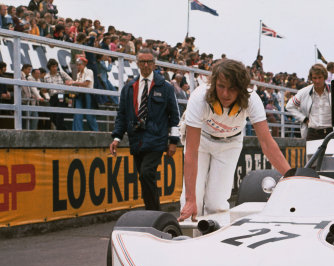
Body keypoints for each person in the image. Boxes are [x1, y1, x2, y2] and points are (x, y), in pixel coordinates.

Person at [178, 59, 291, 221]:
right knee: (190, 202)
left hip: (230, 143)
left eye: (232, 88)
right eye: (221, 86)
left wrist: (291, 177)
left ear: (241, 88)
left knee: (216, 204)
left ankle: (214, 241)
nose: (225, 94)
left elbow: (267, 143)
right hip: (201, 140)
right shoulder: (199, 97)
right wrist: (190, 200)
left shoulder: (252, 100)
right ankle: (187, 239)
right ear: (214, 83)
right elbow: (191, 152)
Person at [109, 49, 180, 211]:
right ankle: (152, 211)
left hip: (156, 140)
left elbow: (174, 117)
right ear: (137, 63)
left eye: (149, 62)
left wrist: (173, 141)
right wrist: (116, 138)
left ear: (154, 64)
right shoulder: (129, 88)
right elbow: (122, 115)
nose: (146, 65)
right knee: (144, 177)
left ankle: (154, 213)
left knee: (147, 173)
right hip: (137, 140)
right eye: (142, 62)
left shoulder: (166, 87)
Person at [285, 64, 332, 141]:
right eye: (314, 78)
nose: (317, 81)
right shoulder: (304, 92)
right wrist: (304, 119)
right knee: (311, 153)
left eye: (320, 77)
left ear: (324, 77)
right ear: (311, 78)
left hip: (331, 132)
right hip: (313, 133)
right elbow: (289, 106)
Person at [43, 58, 72, 130]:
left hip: (61, 95)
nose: (55, 68)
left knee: (60, 114)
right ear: (49, 67)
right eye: (53, 66)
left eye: (56, 66)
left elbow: (71, 81)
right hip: (52, 97)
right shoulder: (46, 77)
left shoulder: (61, 73)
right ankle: (63, 129)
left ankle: (61, 130)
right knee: (52, 116)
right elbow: (45, 89)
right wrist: (44, 91)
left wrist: (67, 83)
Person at [71, 56, 98, 131]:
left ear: (84, 64)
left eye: (80, 64)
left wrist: (73, 82)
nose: (78, 66)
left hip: (88, 94)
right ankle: (77, 132)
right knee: (78, 114)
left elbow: (86, 83)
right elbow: (79, 84)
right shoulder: (78, 74)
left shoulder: (89, 71)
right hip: (80, 94)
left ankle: (95, 132)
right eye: (77, 64)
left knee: (89, 116)